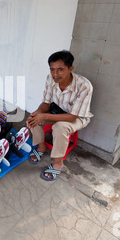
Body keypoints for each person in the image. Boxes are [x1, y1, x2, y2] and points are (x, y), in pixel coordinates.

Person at [26, 50, 93, 182]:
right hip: (56, 110)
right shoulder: (50, 79)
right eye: (52, 69)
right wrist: (38, 113)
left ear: (70, 69)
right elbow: (46, 103)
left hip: (77, 117)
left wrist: (44, 115)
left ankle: (58, 163)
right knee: (34, 118)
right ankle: (41, 147)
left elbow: (73, 117)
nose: (55, 74)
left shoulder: (84, 86)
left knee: (60, 127)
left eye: (60, 69)